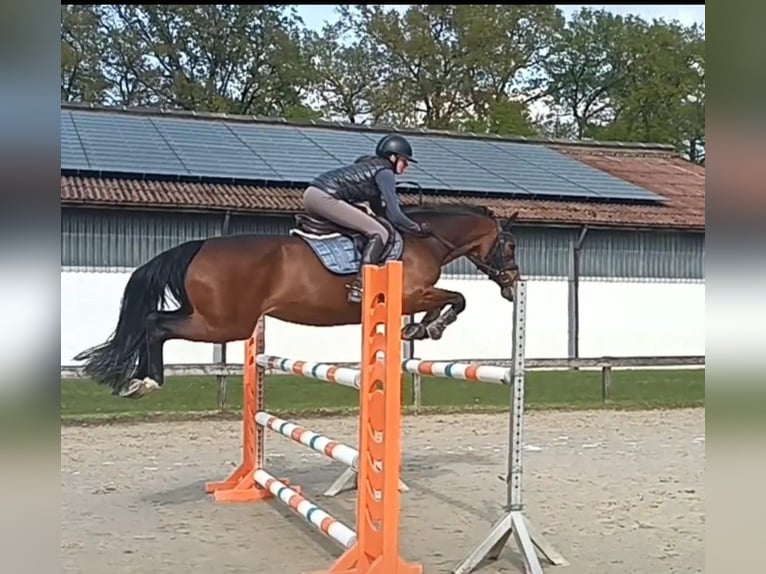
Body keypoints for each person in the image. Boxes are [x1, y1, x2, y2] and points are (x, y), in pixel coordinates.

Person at [303, 134, 431, 303]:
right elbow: (395, 214)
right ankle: (360, 284)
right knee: (379, 232)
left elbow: (378, 209)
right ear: (392, 157)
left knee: (369, 224)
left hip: (312, 194)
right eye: (404, 161)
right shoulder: (385, 172)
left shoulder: (370, 166)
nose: (406, 167)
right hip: (325, 197)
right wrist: (417, 228)